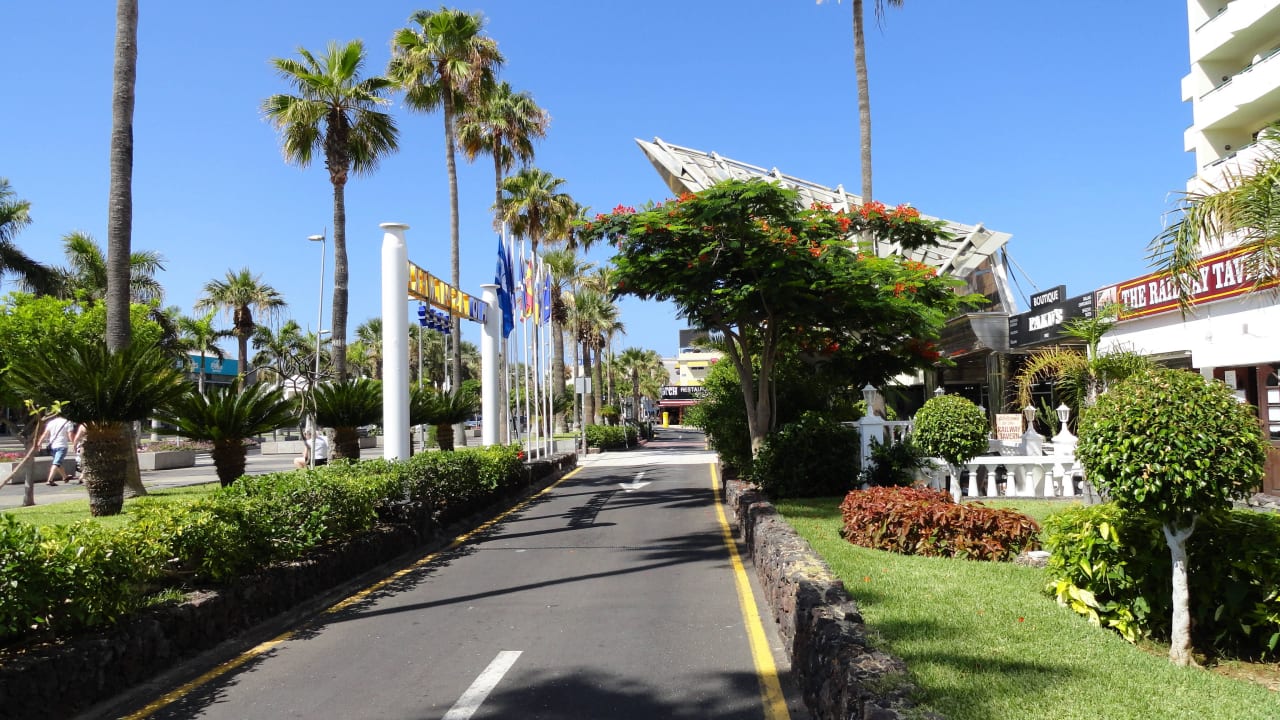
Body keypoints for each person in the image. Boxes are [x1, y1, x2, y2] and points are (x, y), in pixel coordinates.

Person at [37, 414, 76, 486]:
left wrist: (39, 443)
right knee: (56, 463)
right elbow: (70, 435)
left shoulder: (51, 422)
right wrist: (74, 444)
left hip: (53, 446)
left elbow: (45, 433)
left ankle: (65, 477)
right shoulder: (67, 422)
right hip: (62, 445)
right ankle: (50, 480)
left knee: (57, 462)